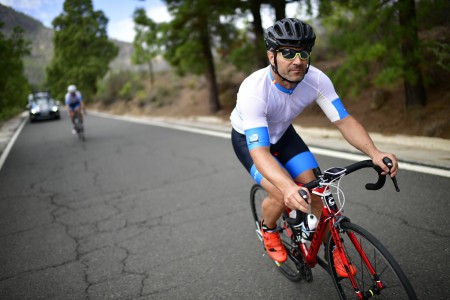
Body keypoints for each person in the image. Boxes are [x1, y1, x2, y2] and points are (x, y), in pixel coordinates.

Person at [230, 18, 398, 274]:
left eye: (303, 52)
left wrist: (375, 153)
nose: (298, 60)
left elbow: (344, 120)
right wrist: (287, 188)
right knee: (279, 192)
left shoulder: (316, 79)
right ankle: (269, 228)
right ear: (271, 55)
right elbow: (260, 152)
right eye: (288, 52)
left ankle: (335, 250)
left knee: (318, 192)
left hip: (285, 135)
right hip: (250, 142)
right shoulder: (253, 90)